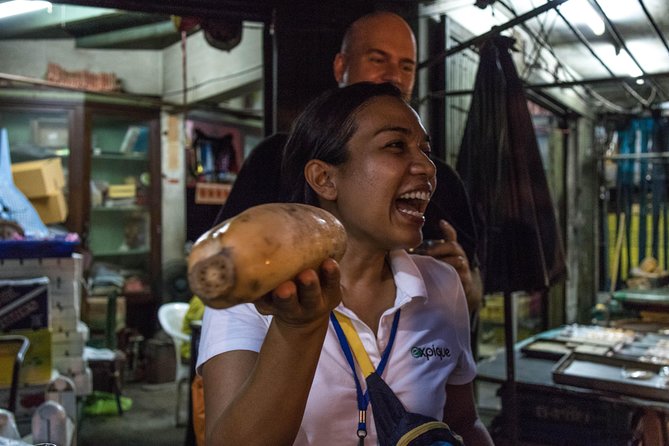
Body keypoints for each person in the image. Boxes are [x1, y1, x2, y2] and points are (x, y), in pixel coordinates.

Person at [198, 82, 494, 445]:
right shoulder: (255, 299)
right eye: (396, 145)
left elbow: (464, 423)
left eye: (426, 149)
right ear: (325, 179)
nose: (428, 168)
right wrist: (295, 328)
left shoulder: (443, 285)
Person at [213, 11, 484, 323]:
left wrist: (459, 286)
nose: (393, 76)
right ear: (323, 178)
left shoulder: (440, 180)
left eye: (406, 66)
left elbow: (474, 290)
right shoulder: (277, 158)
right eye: (378, 59)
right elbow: (223, 268)